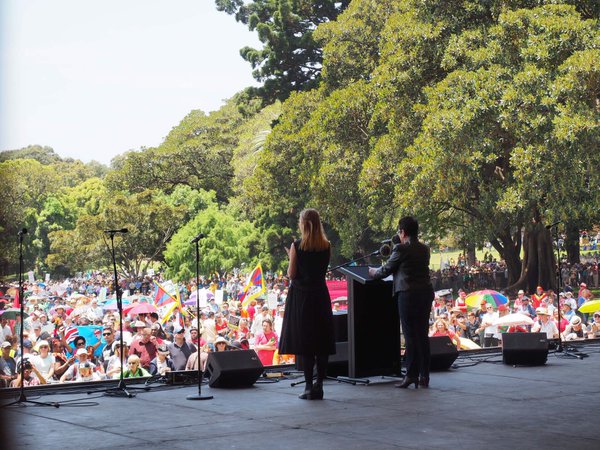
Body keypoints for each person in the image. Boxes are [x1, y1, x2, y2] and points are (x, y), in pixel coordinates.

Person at [369, 216, 434, 389]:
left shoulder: (400, 249)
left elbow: (385, 270)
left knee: (410, 336)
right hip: (425, 293)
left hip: (408, 294)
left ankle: (411, 375)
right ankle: (424, 376)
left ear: (403, 231)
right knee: (422, 335)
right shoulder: (424, 249)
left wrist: (371, 271)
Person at [279, 208, 335, 400]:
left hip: (302, 296)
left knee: (306, 341)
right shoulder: (326, 245)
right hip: (320, 295)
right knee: (321, 340)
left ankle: (308, 387)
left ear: (303, 224)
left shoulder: (297, 245)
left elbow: (292, 274)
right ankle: (320, 384)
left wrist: (291, 259)